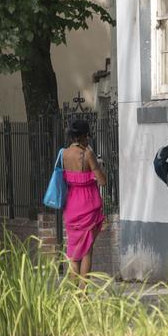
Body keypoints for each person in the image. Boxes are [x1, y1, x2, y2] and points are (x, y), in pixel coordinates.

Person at [62, 119, 107, 280]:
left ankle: (74, 294)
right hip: (88, 205)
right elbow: (102, 181)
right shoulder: (87, 154)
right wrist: (99, 168)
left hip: (71, 205)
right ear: (84, 136)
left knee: (74, 251)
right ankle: (83, 292)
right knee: (87, 250)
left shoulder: (64, 154)